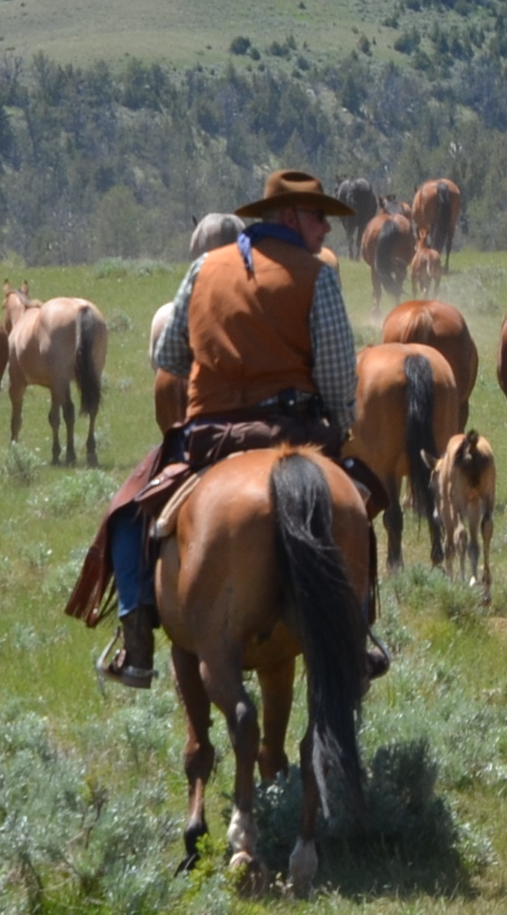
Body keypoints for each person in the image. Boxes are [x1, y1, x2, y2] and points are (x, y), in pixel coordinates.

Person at [73, 169, 387, 691]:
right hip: (296, 432)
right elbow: (336, 375)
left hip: (210, 435)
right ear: (289, 217)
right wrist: (341, 418)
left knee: (128, 514)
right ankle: (356, 633)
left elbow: (166, 355)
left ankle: (137, 641)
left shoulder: (203, 269)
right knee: (359, 506)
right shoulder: (317, 275)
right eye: (319, 218)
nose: (327, 231)